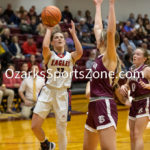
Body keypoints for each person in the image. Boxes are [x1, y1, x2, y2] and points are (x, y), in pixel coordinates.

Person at [83, 0, 129, 150]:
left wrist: (111, 5)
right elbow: (97, 27)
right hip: (93, 105)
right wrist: (97, 6)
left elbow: (110, 32)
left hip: (104, 104)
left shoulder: (110, 57)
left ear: (105, 40)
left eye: (100, 36)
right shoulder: (100, 55)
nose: (98, 36)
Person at [31, 20, 83, 150]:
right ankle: (46, 143)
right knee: (35, 126)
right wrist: (49, 30)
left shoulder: (71, 56)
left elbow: (80, 52)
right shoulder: (49, 55)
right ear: (53, 42)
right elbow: (44, 47)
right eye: (56, 38)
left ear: (64, 41)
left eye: (61, 37)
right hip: (48, 91)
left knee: (61, 130)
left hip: (62, 94)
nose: (59, 39)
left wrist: (74, 34)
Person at [120, 48, 150, 150]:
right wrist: (124, 86)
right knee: (132, 135)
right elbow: (128, 84)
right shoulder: (132, 69)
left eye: (138, 54)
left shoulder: (146, 69)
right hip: (134, 102)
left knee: (137, 134)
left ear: (144, 58)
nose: (135, 55)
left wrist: (147, 86)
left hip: (144, 101)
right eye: (134, 54)